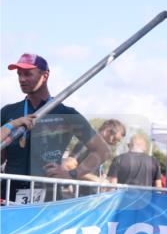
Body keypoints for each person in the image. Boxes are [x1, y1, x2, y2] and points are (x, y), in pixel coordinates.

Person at [2, 53, 110, 203]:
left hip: (47, 200)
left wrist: (72, 174)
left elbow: (103, 151)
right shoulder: (9, 112)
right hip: (9, 196)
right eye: (19, 74)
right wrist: (11, 126)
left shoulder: (66, 114)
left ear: (45, 75)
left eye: (28, 74)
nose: (22, 79)